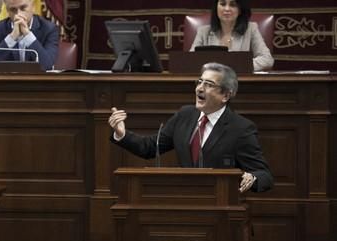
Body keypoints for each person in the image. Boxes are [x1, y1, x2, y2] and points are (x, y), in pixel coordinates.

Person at [108, 62, 273, 193]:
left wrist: (253, 178)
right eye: (199, 82)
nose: (199, 88)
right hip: (183, 202)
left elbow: (265, 175)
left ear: (226, 95)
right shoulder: (185, 115)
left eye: (208, 84)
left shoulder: (241, 128)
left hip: (220, 208)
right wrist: (121, 134)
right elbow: (151, 147)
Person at [190, 0, 274, 72]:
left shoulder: (251, 29)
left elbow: (267, 60)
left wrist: (236, 66)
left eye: (233, 5)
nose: (227, 9)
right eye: (223, 4)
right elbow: (191, 60)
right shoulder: (203, 31)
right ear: (216, 7)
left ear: (240, 9)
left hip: (240, 82)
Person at [0, 0, 59, 71]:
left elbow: (47, 65)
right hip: (7, 81)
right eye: (13, 10)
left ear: (33, 7)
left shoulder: (49, 29)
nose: (18, 14)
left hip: (36, 81)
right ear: (7, 11)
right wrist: (12, 38)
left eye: (23, 8)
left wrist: (28, 36)